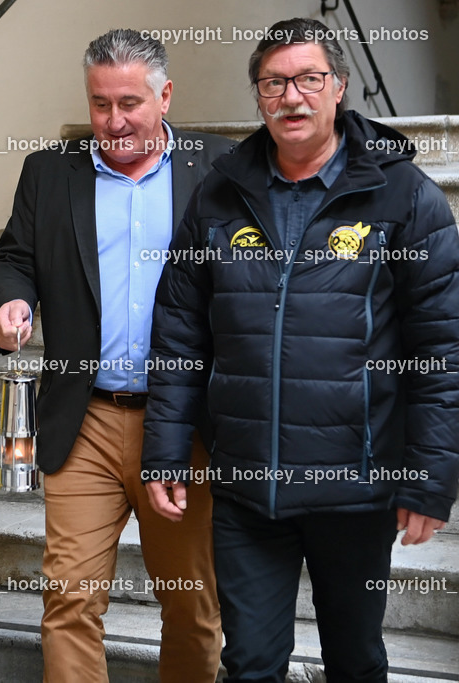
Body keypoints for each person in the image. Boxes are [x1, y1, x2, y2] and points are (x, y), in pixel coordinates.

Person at [142, 17, 459, 682]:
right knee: (250, 662)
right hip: (245, 488)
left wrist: (429, 479)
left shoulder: (404, 198)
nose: (293, 97)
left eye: (309, 79)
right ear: (258, 95)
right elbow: (179, 329)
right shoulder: (218, 196)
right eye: (274, 83)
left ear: (339, 86)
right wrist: (166, 447)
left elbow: (442, 349)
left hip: (356, 489)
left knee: (356, 657)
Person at [0, 28, 231, 683]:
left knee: (191, 603)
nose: (113, 121)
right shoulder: (49, 171)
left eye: (129, 103)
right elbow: (13, 258)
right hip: (84, 417)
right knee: (69, 598)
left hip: (182, 428)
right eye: (99, 104)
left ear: (165, 96)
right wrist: (11, 300)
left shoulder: (222, 169)